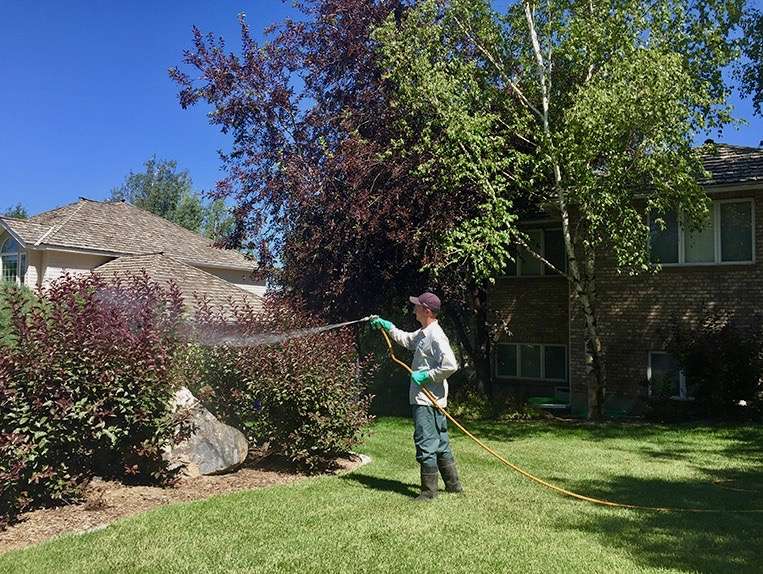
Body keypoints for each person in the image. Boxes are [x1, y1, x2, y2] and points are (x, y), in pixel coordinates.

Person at [371, 291, 463, 501]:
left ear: (427, 310)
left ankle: (428, 493)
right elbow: (407, 339)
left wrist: (427, 376)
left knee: (425, 442)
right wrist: (388, 326)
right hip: (433, 399)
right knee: (440, 442)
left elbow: (450, 364)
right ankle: (453, 486)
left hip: (427, 399)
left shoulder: (436, 335)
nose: (414, 310)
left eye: (417, 307)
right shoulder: (424, 332)